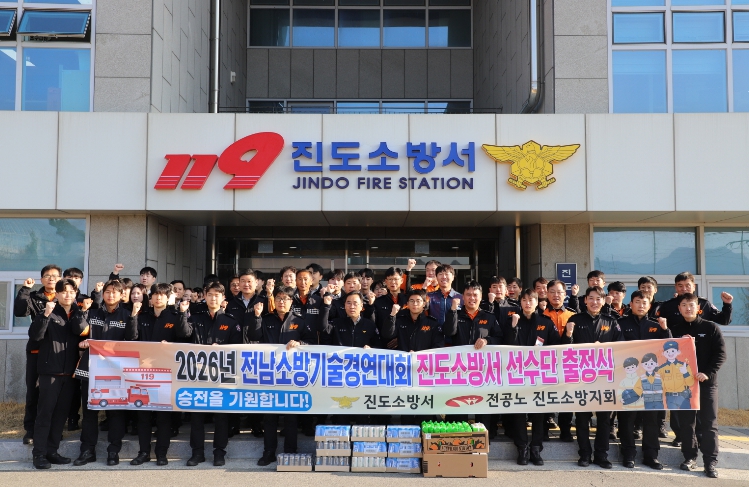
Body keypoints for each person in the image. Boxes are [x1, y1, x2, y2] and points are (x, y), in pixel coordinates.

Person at [248, 286, 317, 467]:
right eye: (278, 298)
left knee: (291, 417)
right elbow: (253, 336)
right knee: (269, 417)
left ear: (291, 301)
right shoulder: (266, 319)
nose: (281, 301)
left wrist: (300, 343)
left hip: (292, 375)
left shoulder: (300, 321)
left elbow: (312, 342)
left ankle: (290, 452)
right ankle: (269, 452)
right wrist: (256, 317)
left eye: (285, 298)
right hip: (269, 374)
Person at [72, 280, 139, 466]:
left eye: (115, 292)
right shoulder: (93, 312)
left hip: (116, 371)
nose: (111, 295)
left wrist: (133, 317)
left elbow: (132, 338)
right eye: (108, 292)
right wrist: (83, 312)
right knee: (90, 411)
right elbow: (78, 330)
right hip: (91, 369)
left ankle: (113, 451)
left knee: (115, 412)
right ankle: (87, 450)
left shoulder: (127, 315)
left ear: (121, 295)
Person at [562, 286, 623, 469]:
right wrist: (568, 334)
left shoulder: (611, 321)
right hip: (581, 378)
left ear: (604, 301)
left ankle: (601, 455)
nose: (594, 302)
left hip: (605, 378)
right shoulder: (575, 320)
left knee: (604, 419)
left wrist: (603, 347)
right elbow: (564, 348)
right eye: (591, 298)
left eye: (598, 299)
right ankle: (585, 454)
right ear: (585, 300)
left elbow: (621, 346)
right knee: (582, 419)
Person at [130, 283, 190, 467]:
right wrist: (133, 316)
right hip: (142, 373)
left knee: (164, 417)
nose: (158, 298)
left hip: (166, 373)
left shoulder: (174, 316)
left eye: (162, 295)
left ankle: (161, 453)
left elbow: (184, 338)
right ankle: (143, 452)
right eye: (155, 294)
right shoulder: (142, 316)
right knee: (143, 417)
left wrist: (170, 346)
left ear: (168, 297)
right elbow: (132, 338)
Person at [183, 281, 242, 467]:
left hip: (221, 375)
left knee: (221, 417)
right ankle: (197, 453)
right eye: (210, 295)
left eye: (217, 295)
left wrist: (222, 349)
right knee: (197, 416)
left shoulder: (230, 321)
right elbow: (183, 336)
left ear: (223, 298)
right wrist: (183, 314)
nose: (213, 298)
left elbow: (238, 348)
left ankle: (219, 452)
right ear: (205, 296)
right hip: (197, 374)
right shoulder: (195, 318)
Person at [668, 293, 726, 479]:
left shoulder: (710, 327)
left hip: (706, 384)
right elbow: (667, 355)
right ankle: (689, 457)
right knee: (687, 423)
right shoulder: (675, 330)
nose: (688, 308)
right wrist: (680, 344)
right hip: (683, 386)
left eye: (691, 305)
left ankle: (710, 462)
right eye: (684, 305)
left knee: (709, 423)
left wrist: (707, 373)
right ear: (679, 308)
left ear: (698, 308)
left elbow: (720, 354)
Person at [29, 278, 85, 469]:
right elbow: (35, 336)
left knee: (61, 415)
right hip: (50, 372)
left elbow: (81, 331)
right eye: (64, 291)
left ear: (76, 294)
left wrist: (80, 312)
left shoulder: (77, 314)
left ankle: (52, 451)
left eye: (71, 292)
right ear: (57, 294)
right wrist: (45, 315)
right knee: (45, 414)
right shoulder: (48, 312)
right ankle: (39, 454)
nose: (68, 295)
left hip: (69, 373)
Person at [502, 288, 560, 466]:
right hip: (517, 375)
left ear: (537, 302)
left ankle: (536, 448)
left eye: (531, 300)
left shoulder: (545, 322)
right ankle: (522, 448)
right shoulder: (512, 320)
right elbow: (504, 346)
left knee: (538, 414)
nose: (527, 303)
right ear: (520, 302)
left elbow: (556, 346)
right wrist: (513, 327)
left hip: (539, 375)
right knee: (519, 413)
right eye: (524, 300)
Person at [616, 291, 671, 469]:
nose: (641, 305)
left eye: (644, 302)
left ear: (650, 305)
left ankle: (651, 455)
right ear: (630, 304)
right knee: (627, 418)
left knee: (651, 419)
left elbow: (669, 349)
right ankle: (628, 453)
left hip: (651, 380)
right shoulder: (620, 324)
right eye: (637, 302)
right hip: (628, 378)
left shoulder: (656, 325)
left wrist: (665, 330)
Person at [14, 264, 62, 445]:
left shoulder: (65, 297)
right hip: (37, 350)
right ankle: (30, 430)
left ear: (60, 279)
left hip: (57, 351)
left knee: (53, 393)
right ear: (41, 279)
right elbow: (20, 311)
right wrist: (25, 289)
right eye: (47, 276)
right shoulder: (34, 297)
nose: (51, 278)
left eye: (55, 276)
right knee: (34, 391)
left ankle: (52, 429)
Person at [543, 279, 576, 442]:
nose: (556, 295)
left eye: (559, 292)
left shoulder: (573, 315)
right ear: (547, 294)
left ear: (565, 294)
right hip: (545, 363)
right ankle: (543, 429)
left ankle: (565, 430)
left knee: (566, 397)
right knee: (544, 396)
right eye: (552, 292)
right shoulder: (540, 314)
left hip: (567, 362)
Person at [427, 264, 463, 328]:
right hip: (434, 333)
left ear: (453, 277)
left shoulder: (461, 298)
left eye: (447, 274)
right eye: (440, 274)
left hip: (454, 333)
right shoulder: (429, 296)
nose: (444, 277)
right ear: (436, 277)